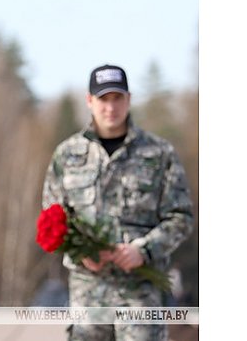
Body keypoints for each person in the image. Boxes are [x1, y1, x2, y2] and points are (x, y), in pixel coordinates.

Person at [41, 64, 194, 341]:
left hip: (141, 293)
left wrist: (144, 250)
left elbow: (181, 217)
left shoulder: (159, 154)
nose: (110, 107)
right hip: (88, 297)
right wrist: (80, 253)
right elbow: (52, 219)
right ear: (89, 101)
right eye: (103, 99)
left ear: (129, 99)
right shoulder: (67, 155)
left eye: (117, 98)